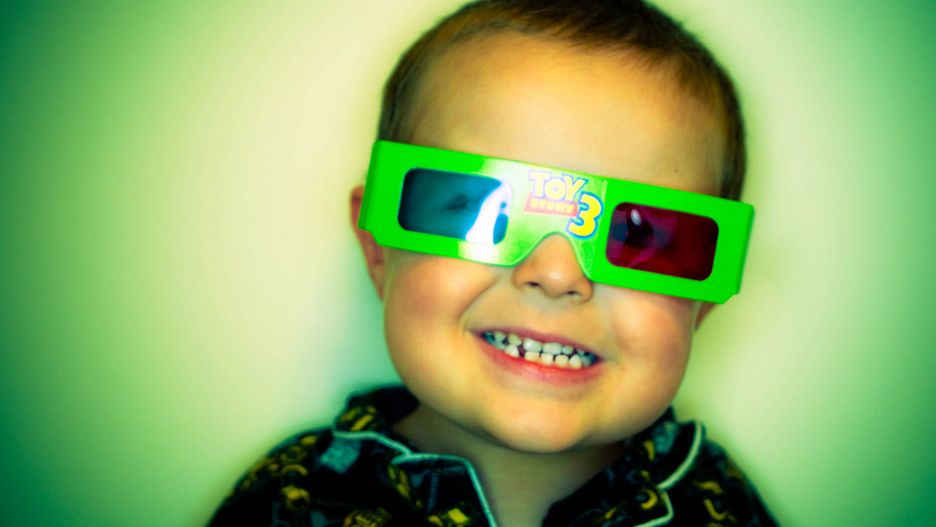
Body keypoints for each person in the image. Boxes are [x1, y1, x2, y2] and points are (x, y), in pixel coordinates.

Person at [210, 1, 776, 525]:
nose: (556, 275)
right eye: (481, 207)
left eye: (640, 235)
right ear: (378, 248)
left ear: (701, 302)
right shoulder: (288, 501)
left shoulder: (723, 511)